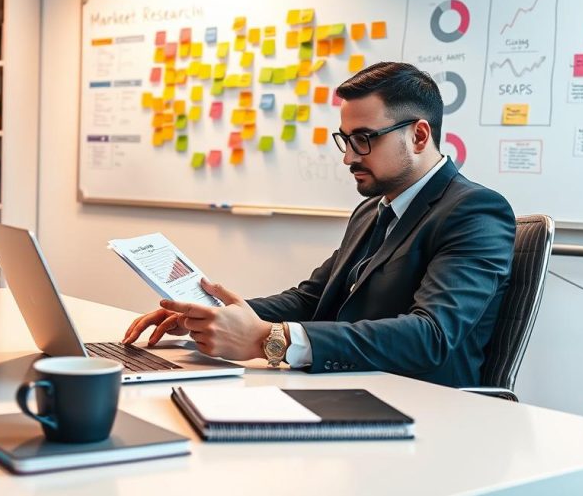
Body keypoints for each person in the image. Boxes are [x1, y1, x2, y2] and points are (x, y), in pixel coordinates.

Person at [123, 62, 516, 387]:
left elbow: (431, 336)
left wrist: (266, 339)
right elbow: (314, 299)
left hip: (423, 405)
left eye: (364, 139)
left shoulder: (475, 211)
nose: (348, 158)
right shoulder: (372, 211)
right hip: (347, 385)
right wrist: (212, 314)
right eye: (345, 140)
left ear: (418, 135)